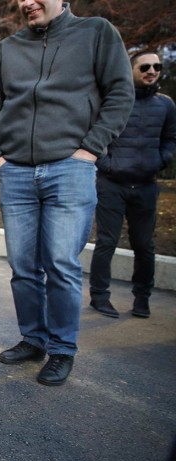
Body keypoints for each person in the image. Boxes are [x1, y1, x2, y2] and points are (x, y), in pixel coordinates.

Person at [0, 0, 134, 386]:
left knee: (61, 263)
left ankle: (63, 348)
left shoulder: (96, 32)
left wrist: (89, 150)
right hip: (14, 171)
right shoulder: (10, 48)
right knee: (23, 266)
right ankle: (33, 338)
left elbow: (120, 93)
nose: (26, 2)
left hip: (70, 168)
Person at [89, 51, 176, 320]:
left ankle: (142, 300)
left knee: (144, 245)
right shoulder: (112, 100)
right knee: (106, 242)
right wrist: (107, 164)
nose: (152, 71)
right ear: (131, 70)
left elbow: (171, 138)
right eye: (145, 66)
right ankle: (99, 297)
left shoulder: (166, 105)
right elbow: (96, 133)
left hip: (146, 185)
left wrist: (160, 161)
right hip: (112, 184)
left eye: (157, 67)